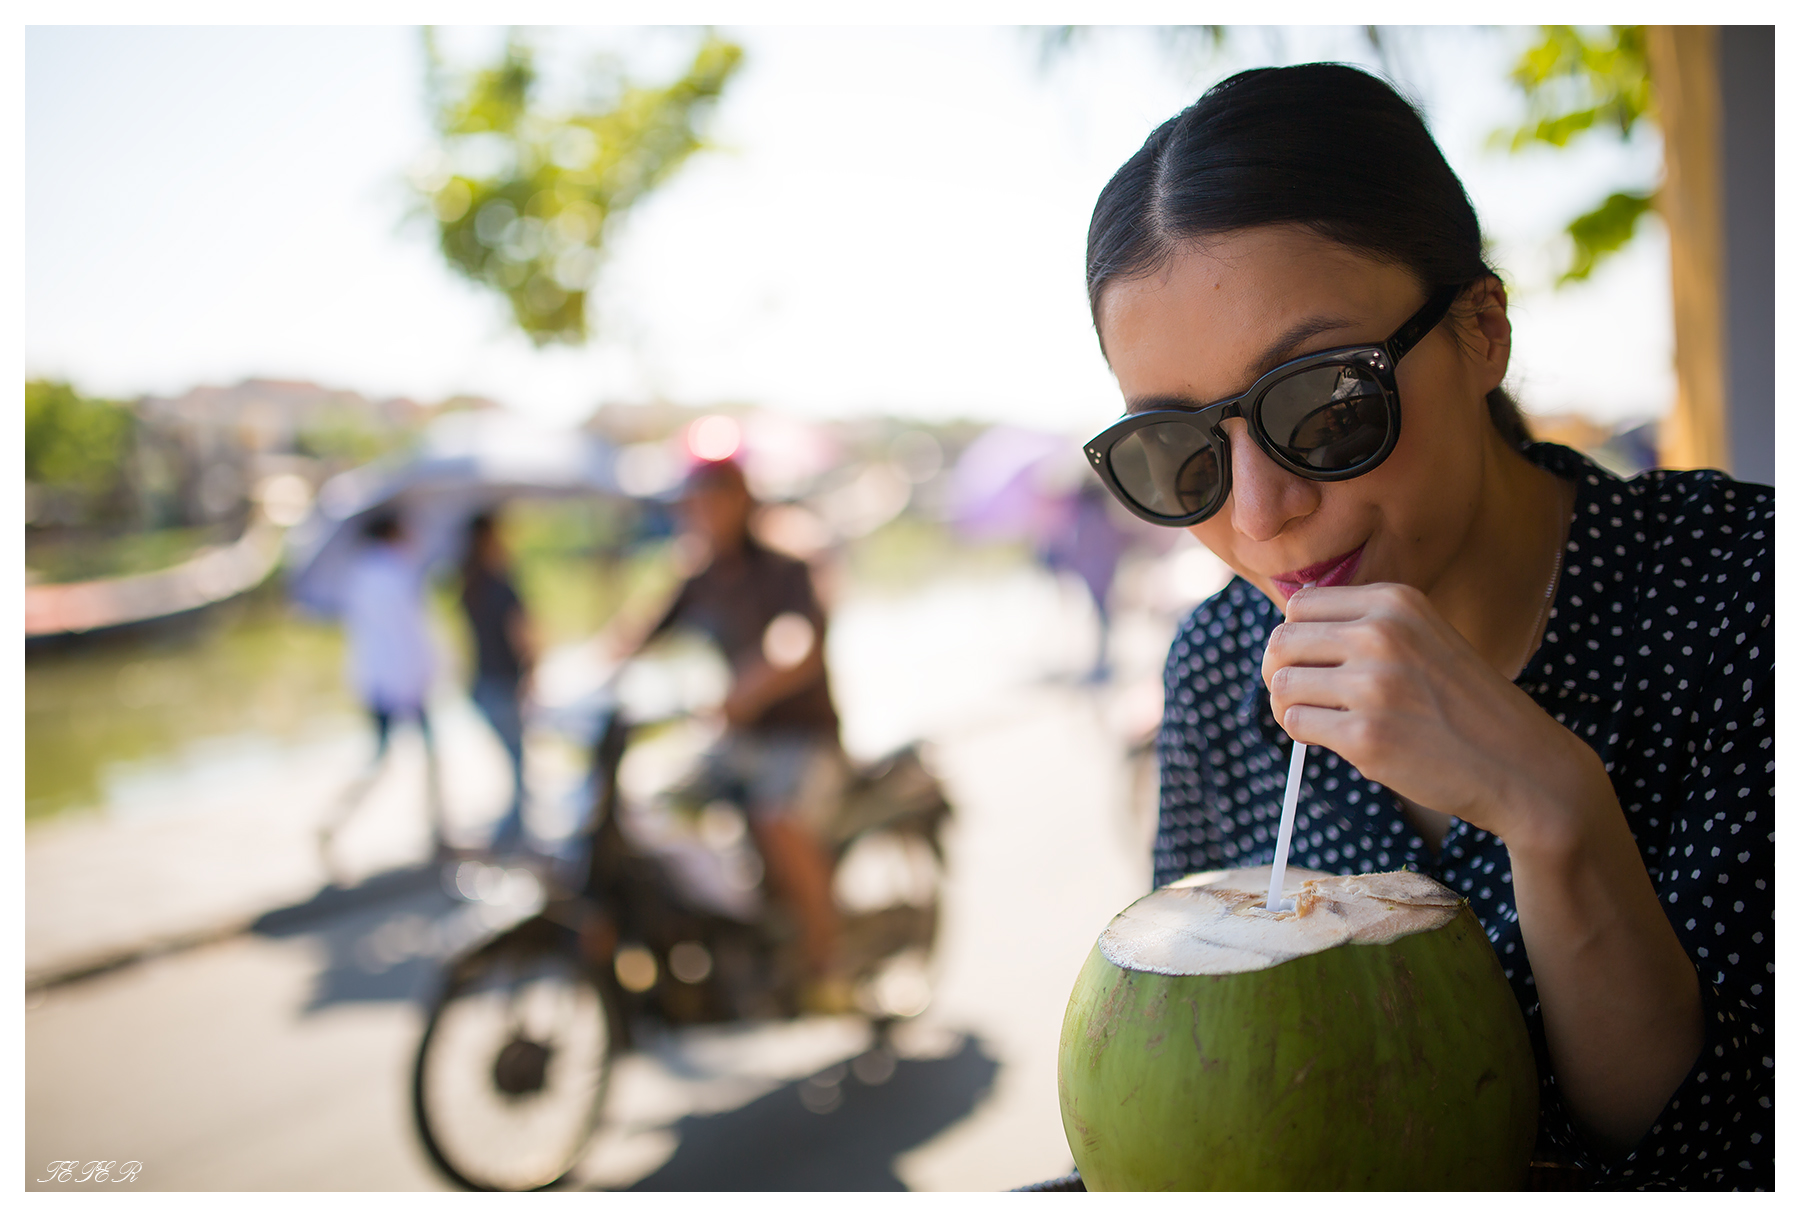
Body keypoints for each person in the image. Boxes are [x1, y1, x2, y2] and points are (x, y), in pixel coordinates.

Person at [1081, 64, 1770, 1189]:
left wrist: (1554, 810)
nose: (1260, 515)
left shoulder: (1746, 598)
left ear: (1481, 329)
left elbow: (1723, 1161)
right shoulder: (1219, 668)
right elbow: (1196, 1080)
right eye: (1175, 451)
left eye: (1324, 399)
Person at [616, 458, 852, 1012]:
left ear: (740, 498)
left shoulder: (784, 563)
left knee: (777, 820)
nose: (700, 509)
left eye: (712, 496)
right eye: (693, 498)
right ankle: (728, 920)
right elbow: (638, 636)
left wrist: (752, 687)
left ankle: (827, 961)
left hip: (801, 739)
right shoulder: (700, 572)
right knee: (651, 804)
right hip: (735, 741)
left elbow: (796, 643)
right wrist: (574, 678)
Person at [321, 509, 445, 869]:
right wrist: (431, 672)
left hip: (374, 681)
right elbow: (414, 634)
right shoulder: (399, 573)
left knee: (380, 760)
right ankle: (438, 831)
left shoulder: (357, 575)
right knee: (425, 758)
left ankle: (334, 821)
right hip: (404, 680)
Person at [459, 511, 538, 854]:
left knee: (513, 762)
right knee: (519, 763)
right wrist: (533, 671)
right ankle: (515, 834)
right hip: (504, 683)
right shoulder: (501, 585)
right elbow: (522, 636)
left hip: (480, 684)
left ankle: (512, 829)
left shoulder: (469, 585)